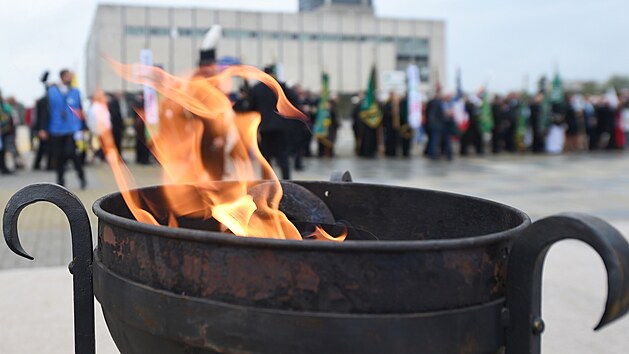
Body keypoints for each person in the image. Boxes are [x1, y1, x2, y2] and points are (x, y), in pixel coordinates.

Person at [39, 69, 86, 189]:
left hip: (71, 128)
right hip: (55, 129)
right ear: (62, 77)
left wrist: (83, 127)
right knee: (58, 156)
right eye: (68, 76)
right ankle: (60, 182)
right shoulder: (52, 91)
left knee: (71, 153)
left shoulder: (75, 92)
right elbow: (45, 110)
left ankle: (81, 177)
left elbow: (80, 110)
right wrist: (43, 128)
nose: (70, 78)